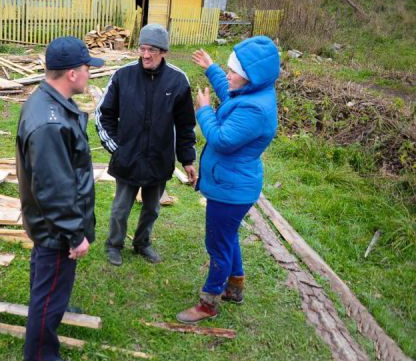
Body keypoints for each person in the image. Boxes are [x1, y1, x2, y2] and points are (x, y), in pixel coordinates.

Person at [176, 36, 280, 323]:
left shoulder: (255, 109)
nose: (229, 75)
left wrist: (204, 111)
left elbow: (221, 139)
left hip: (230, 190)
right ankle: (235, 287)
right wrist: (212, 68)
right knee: (228, 236)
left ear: (250, 78)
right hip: (232, 185)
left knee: (218, 245)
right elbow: (230, 91)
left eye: (233, 71)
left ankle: (209, 302)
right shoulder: (252, 93)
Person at [16, 36, 104, 361]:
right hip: (55, 227)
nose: (89, 74)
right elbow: (53, 189)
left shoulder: (47, 101)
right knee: (50, 281)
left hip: (47, 223)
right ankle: (41, 356)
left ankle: (54, 305)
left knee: (49, 278)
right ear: (71, 74)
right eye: (86, 69)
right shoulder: (50, 122)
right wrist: (74, 234)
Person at [95, 23, 197, 266]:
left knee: (152, 209)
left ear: (163, 52)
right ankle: (114, 244)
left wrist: (188, 159)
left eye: (152, 50)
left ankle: (142, 243)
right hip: (127, 158)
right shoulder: (123, 75)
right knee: (121, 208)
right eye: (142, 49)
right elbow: (103, 114)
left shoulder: (177, 80)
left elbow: (185, 125)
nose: (146, 55)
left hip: (159, 159)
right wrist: (116, 148)